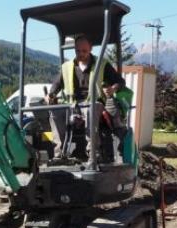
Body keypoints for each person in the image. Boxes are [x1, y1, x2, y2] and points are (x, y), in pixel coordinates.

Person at [44, 35, 126, 163]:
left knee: (91, 109)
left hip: (93, 103)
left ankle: (93, 152)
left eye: (84, 51)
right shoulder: (67, 67)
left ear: (91, 49)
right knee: (55, 111)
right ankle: (59, 153)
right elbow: (57, 84)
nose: (81, 54)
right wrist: (51, 94)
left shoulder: (102, 64)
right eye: (78, 51)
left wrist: (113, 88)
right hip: (72, 105)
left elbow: (120, 81)